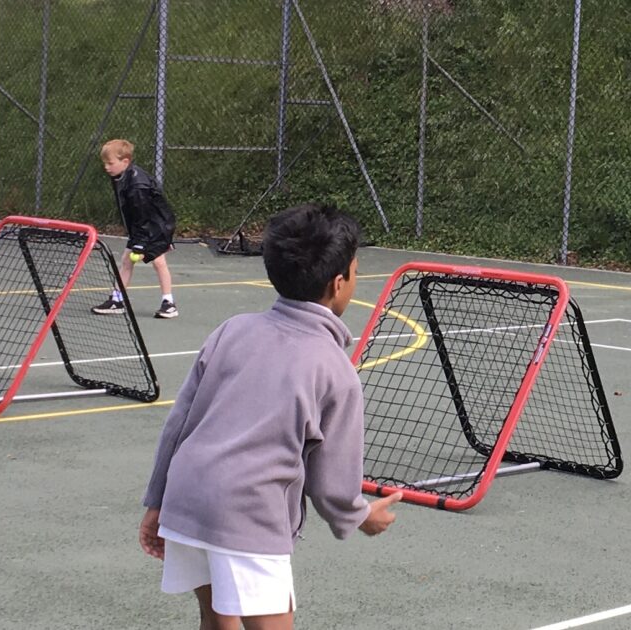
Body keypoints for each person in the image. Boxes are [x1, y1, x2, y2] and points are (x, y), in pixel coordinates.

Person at [138, 204, 403, 628]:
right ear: (339, 284)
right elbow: (332, 481)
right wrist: (359, 516)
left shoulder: (232, 330)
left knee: (216, 619)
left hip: (188, 497)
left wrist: (157, 501)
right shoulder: (335, 370)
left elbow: (179, 424)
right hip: (249, 514)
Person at [93, 139, 180, 319]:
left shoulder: (137, 185)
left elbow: (143, 216)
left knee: (158, 262)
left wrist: (140, 244)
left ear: (125, 162)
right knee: (127, 260)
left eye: (110, 163)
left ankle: (169, 304)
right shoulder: (120, 176)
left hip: (157, 226)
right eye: (105, 163)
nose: (107, 167)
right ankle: (117, 300)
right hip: (143, 226)